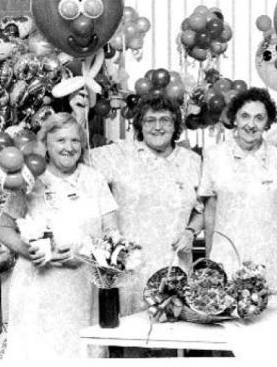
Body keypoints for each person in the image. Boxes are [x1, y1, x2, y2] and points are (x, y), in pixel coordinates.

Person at [0, 113, 119, 358]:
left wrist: (87, 254)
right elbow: (3, 228)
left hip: (81, 288)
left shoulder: (94, 179)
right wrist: (28, 251)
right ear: (46, 144)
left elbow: (112, 233)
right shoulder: (31, 179)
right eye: (61, 140)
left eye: (75, 140)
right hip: (37, 290)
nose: (69, 147)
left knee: (79, 357)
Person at [71, 92, 204, 316]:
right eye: (150, 120)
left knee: (172, 336)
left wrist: (191, 232)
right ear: (140, 125)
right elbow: (79, 157)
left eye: (165, 120)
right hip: (129, 269)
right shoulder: (120, 153)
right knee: (132, 336)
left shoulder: (192, 160)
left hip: (174, 268)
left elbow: (201, 210)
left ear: (176, 125)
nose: (158, 127)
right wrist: (79, 116)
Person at [199, 87, 277, 290]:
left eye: (259, 118)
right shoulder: (214, 155)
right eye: (245, 116)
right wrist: (209, 260)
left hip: (269, 256)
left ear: (267, 123)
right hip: (227, 255)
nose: (251, 124)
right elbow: (210, 211)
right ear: (235, 119)